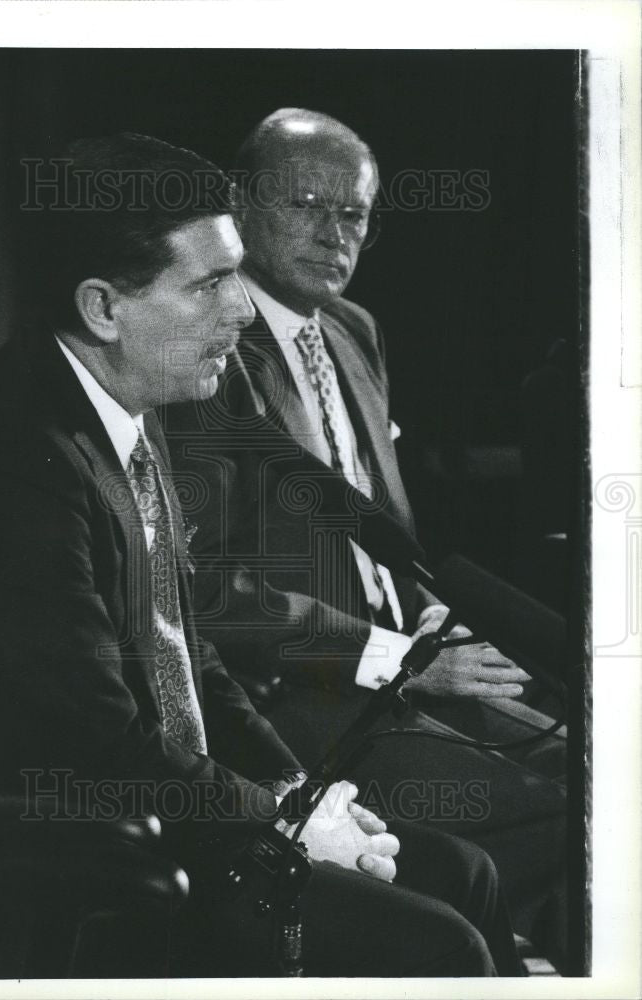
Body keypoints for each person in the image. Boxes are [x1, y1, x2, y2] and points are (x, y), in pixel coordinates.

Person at [0, 133, 522, 978]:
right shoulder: (8, 461)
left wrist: (302, 795)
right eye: (208, 284)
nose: (241, 308)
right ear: (103, 307)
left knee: (465, 871)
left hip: (177, 803)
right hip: (89, 850)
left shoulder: (126, 397)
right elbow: (102, 744)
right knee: (441, 943)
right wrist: (277, 817)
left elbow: (189, 658)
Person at [161, 110, 568, 967]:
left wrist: (427, 619)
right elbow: (203, 591)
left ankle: (514, 944)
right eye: (306, 203)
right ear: (239, 202)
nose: (332, 231)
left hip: (404, 663)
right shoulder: (207, 352)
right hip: (299, 699)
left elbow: (386, 520)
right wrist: (394, 655)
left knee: (584, 744)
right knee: (573, 800)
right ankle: (494, 946)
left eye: (353, 214)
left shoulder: (352, 329)